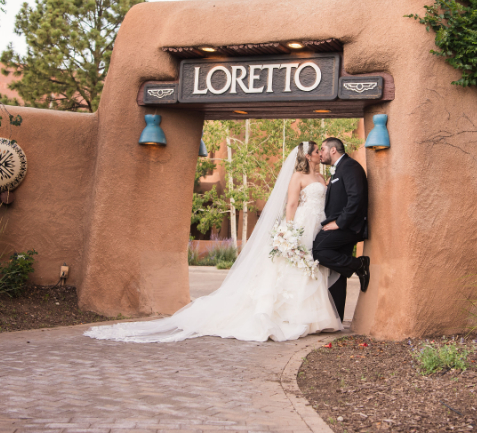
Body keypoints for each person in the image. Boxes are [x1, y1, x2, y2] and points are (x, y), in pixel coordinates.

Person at [84, 141, 343, 343]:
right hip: (299, 226)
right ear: (308, 155)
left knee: (310, 268)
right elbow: (291, 204)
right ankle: (290, 318)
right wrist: (288, 232)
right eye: (316, 150)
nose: (320, 153)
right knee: (293, 269)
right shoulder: (298, 177)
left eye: (322, 150)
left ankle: (312, 320)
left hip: (318, 226)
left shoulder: (322, 177)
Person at [313, 137, 370, 321]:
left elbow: (356, 198)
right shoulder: (340, 169)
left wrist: (339, 223)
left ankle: (359, 265)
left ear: (333, 150)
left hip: (349, 227)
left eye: (322, 149)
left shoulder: (350, 167)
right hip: (342, 225)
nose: (320, 153)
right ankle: (336, 319)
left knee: (318, 249)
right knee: (337, 273)